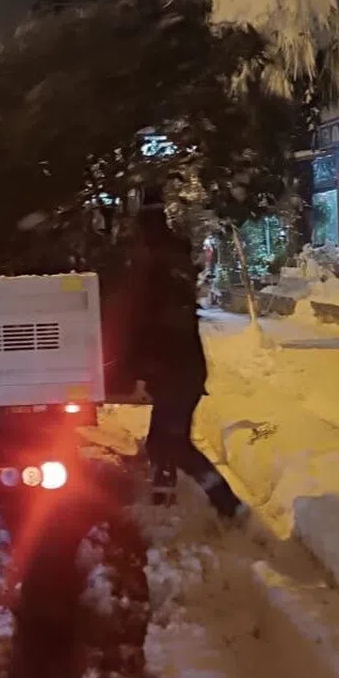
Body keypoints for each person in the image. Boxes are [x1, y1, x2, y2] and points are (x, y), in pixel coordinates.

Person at [122, 190, 243, 517]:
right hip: (182, 368)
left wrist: (139, 366)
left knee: (174, 442)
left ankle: (228, 504)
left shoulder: (153, 267)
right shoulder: (171, 260)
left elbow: (148, 324)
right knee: (162, 439)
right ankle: (163, 498)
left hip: (175, 370)